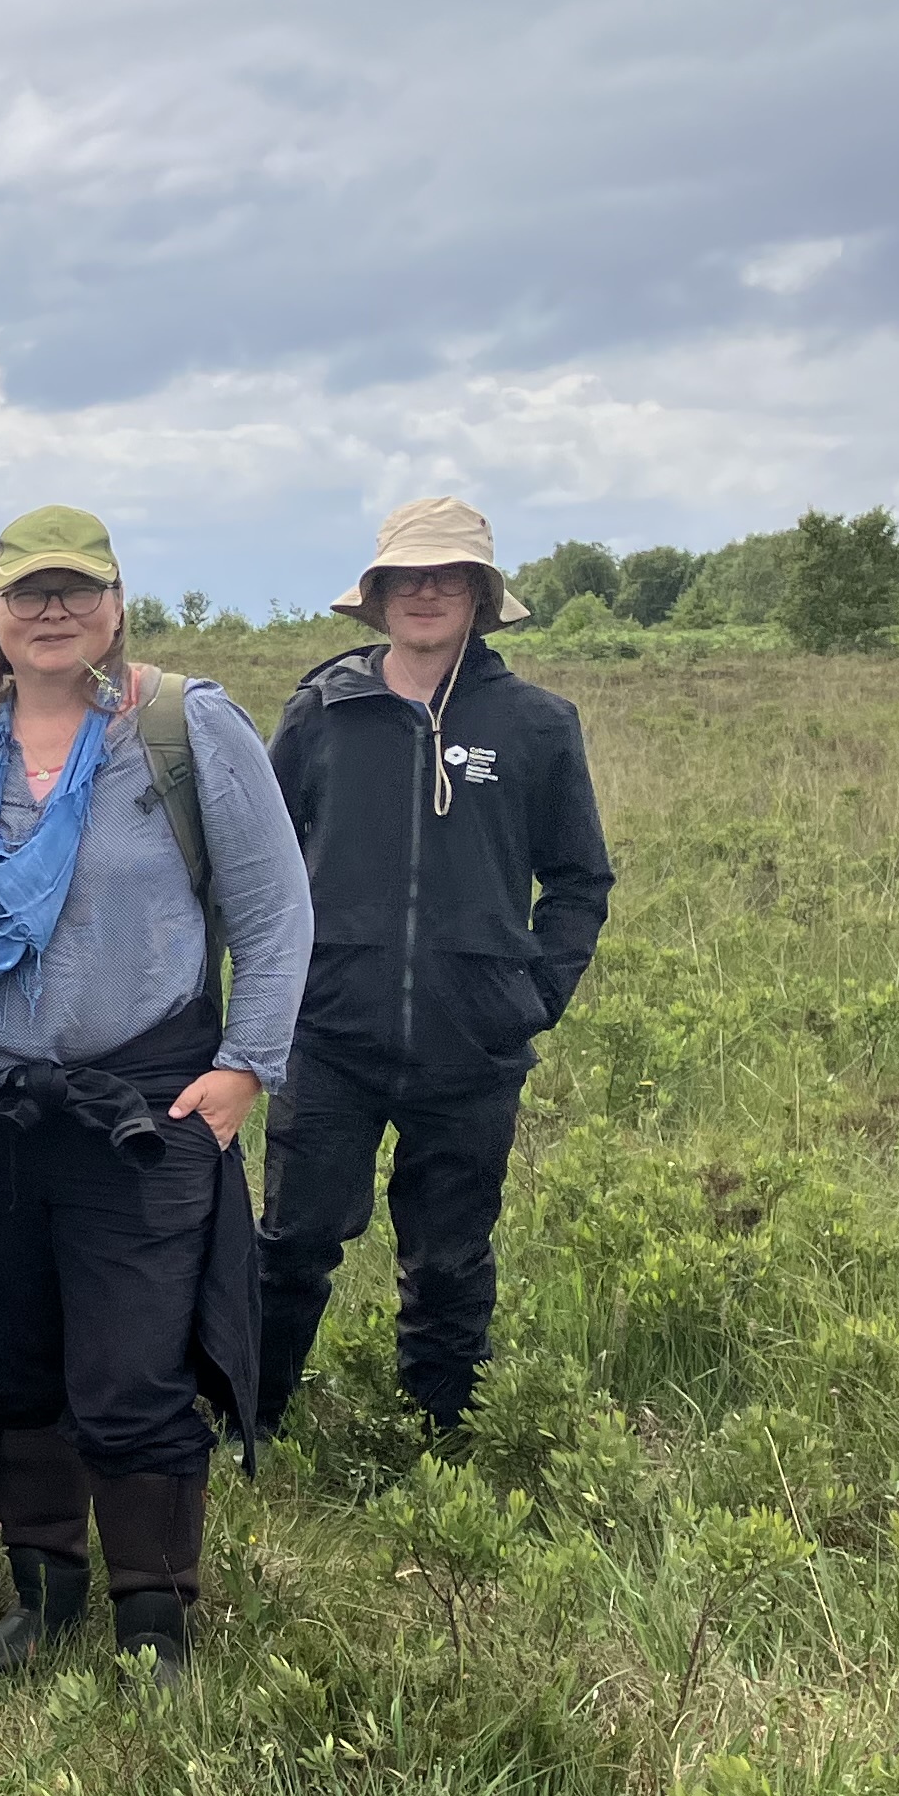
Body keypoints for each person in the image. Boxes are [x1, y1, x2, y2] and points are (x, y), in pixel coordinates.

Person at [0, 508, 310, 1681]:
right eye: (29, 593)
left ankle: (154, 1619)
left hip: (138, 1111)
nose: (53, 611)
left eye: (78, 590)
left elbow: (276, 911)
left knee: (130, 1372)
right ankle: (42, 1596)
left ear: (116, 604)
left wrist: (244, 1069)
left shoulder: (183, 730)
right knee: (6, 1362)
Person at [257, 497, 614, 1437]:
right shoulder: (322, 713)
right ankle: (249, 1426)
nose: (425, 593)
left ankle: (440, 1435)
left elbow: (579, 878)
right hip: (329, 1035)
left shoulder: (537, 725)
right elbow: (260, 861)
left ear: (479, 596)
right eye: (405, 577)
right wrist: (276, 992)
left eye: (446, 576)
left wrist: (532, 995)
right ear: (376, 598)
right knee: (292, 1243)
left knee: (450, 1254)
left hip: (474, 1043)